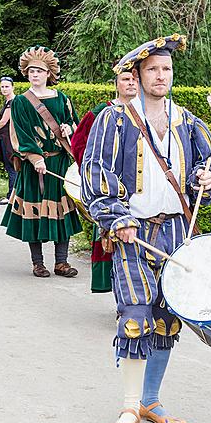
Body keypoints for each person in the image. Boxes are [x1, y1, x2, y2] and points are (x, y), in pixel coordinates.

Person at [81, 34, 211, 423]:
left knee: (167, 320)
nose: (160, 76)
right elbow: (96, 172)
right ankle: (129, 407)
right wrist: (116, 217)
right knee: (135, 318)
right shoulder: (116, 119)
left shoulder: (188, 121)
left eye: (166, 69)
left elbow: (210, 169)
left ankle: (151, 399)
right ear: (138, 75)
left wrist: (207, 178)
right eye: (152, 70)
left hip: (177, 231)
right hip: (134, 232)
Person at [1, 47, 82, 278]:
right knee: (34, 213)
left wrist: (69, 128)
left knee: (61, 212)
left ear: (49, 73)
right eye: (31, 70)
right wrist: (35, 158)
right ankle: (38, 263)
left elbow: (73, 124)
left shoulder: (62, 98)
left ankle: (61, 262)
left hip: (59, 164)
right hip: (34, 166)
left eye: (39, 70)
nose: (34, 74)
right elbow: (20, 135)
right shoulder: (20, 102)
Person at [70, 68, 138, 294]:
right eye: (125, 79)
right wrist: (95, 177)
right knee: (112, 240)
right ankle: (122, 299)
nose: (130, 83)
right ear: (117, 84)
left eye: (134, 79)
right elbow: (79, 144)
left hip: (139, 191)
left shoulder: (150, 112)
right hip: (111, 191)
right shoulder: (102, 112)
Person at [0, 77, 18, 205]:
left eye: (7, 86)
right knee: (10, 167)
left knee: (11, 167)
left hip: (9, 140)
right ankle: (13, 194)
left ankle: (12, 195)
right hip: (6, 139)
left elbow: (4, 121)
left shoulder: (12, 102)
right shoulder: (8, 102)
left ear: (13, 87)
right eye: (2, 87)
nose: (4, 89)